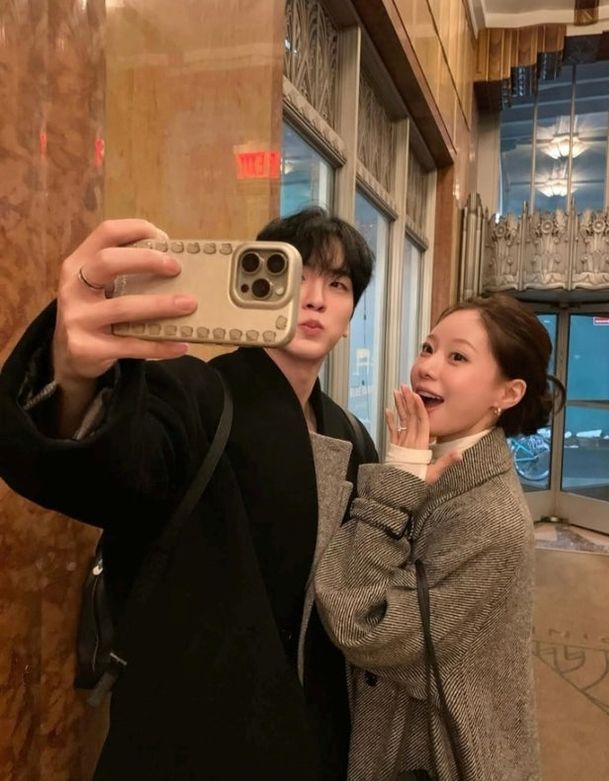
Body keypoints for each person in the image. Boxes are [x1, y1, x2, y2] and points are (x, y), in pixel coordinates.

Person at [0, 207, 379, 780]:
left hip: (315, 739)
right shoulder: (196, 391)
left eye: (338, 285)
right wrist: (73, 377)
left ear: (350, 318)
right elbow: (112, 471)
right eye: (295, 275)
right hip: (192, 740)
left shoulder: (350, 433)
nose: (315, 299)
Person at [315, 293, 566, 781]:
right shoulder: (437, 463)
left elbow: (360, 622)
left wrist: (395, 483)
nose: (426, 368)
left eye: (457, 357)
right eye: (428, 349)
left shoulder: (490, 519)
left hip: (436, 757)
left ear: (507, 393)